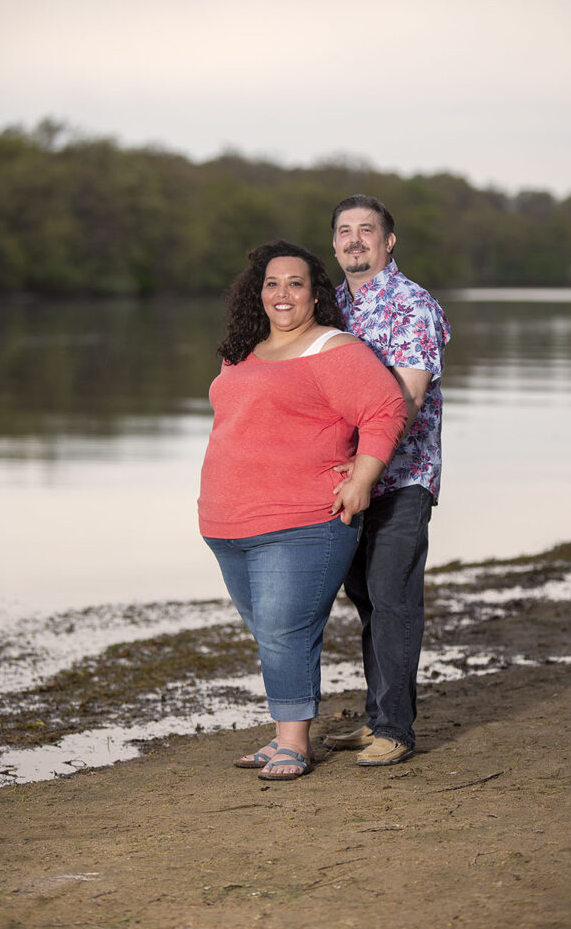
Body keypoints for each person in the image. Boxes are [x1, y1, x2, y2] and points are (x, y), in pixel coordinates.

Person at [198, 240, 407, 781]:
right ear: (257, 294)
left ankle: (293, 742)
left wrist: (362, 478)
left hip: (302, 521)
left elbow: (386, 410)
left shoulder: (334, 349)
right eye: (272, 283)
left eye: (295, 283)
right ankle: (286, 734)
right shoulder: (241, 350)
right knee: (269, 630)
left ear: (316, 294)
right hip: (228, 521)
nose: (282, 293)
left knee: (285, 628)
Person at [323, 195, 451, 766]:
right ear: (333, 243)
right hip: (343, 479)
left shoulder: (411, 304)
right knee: (366, 598)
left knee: (393, 596)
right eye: (345, 231)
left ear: (388, 241)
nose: (355, 240)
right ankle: (377, 715)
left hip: (401, 477)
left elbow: (407, 397)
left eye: (367, 230)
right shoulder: (329, 309)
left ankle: (396, 729)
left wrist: (366, 466)